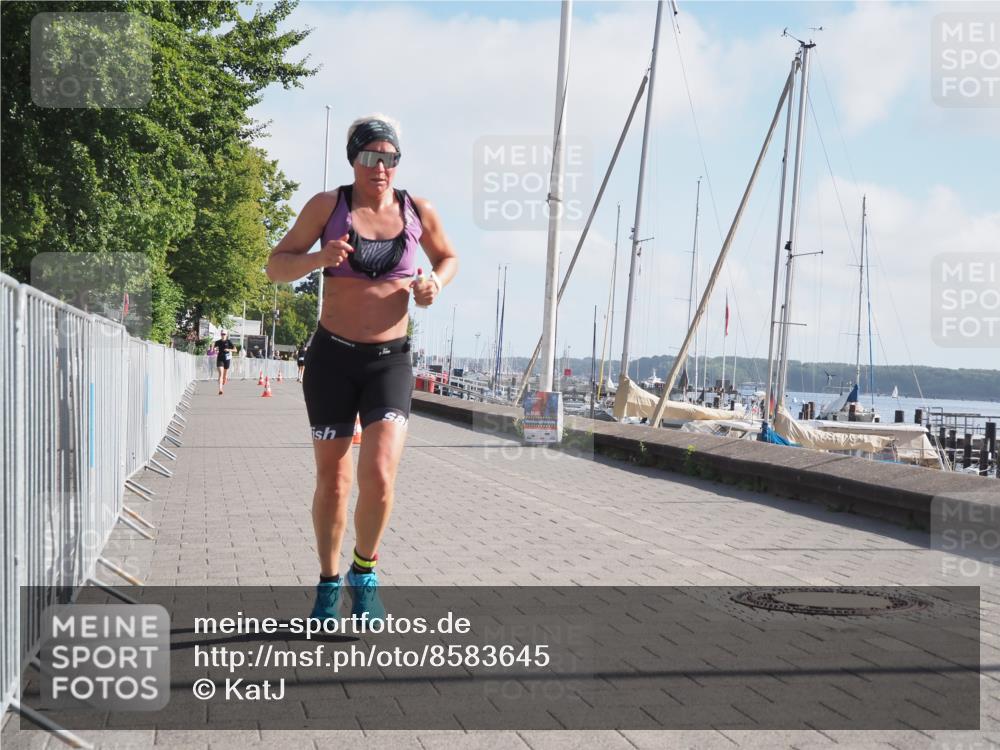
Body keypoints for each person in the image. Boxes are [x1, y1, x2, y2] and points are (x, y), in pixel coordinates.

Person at [266, 114, 457, 624]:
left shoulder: (417, 209)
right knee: (333, 482)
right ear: (354, 159)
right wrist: (318, 259)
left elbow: (448, 257)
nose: (381, 168)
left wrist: (434, 284)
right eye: (371, 157)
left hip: (388, 361)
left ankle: (364, 571)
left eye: (390, 158)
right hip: (332, 359)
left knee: (379, 476)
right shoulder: (329, 206)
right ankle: (329, 585)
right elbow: (275, 264)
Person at [214, 330, 236, 395]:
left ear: (226, 335)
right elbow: (214, 348)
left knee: (225, 374)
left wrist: (228, 349)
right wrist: (215, 349)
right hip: (220, 359)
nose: (223, 335)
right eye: (222, 334)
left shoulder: (229, 342)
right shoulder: (218, 342)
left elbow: (235, 349)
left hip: (227, 359)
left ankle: (225, 377)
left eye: (224, 334)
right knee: (221, 373)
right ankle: (220, 389)